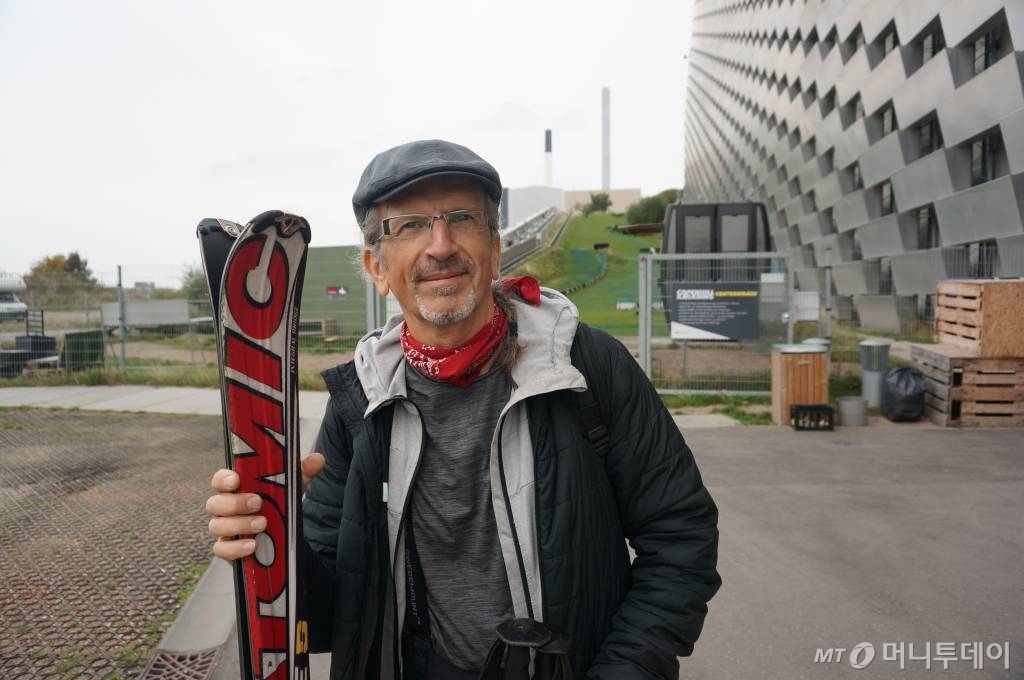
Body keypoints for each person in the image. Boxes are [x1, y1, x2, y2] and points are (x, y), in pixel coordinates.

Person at [206, 139, 721, 680]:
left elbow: (680, 537)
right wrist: (272, 541)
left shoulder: (587, 368)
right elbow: (336, 615)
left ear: (495, 249)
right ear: (376, 267)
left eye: (462, 218)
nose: (441, 245)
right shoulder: (359, 404)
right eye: (407, 225)